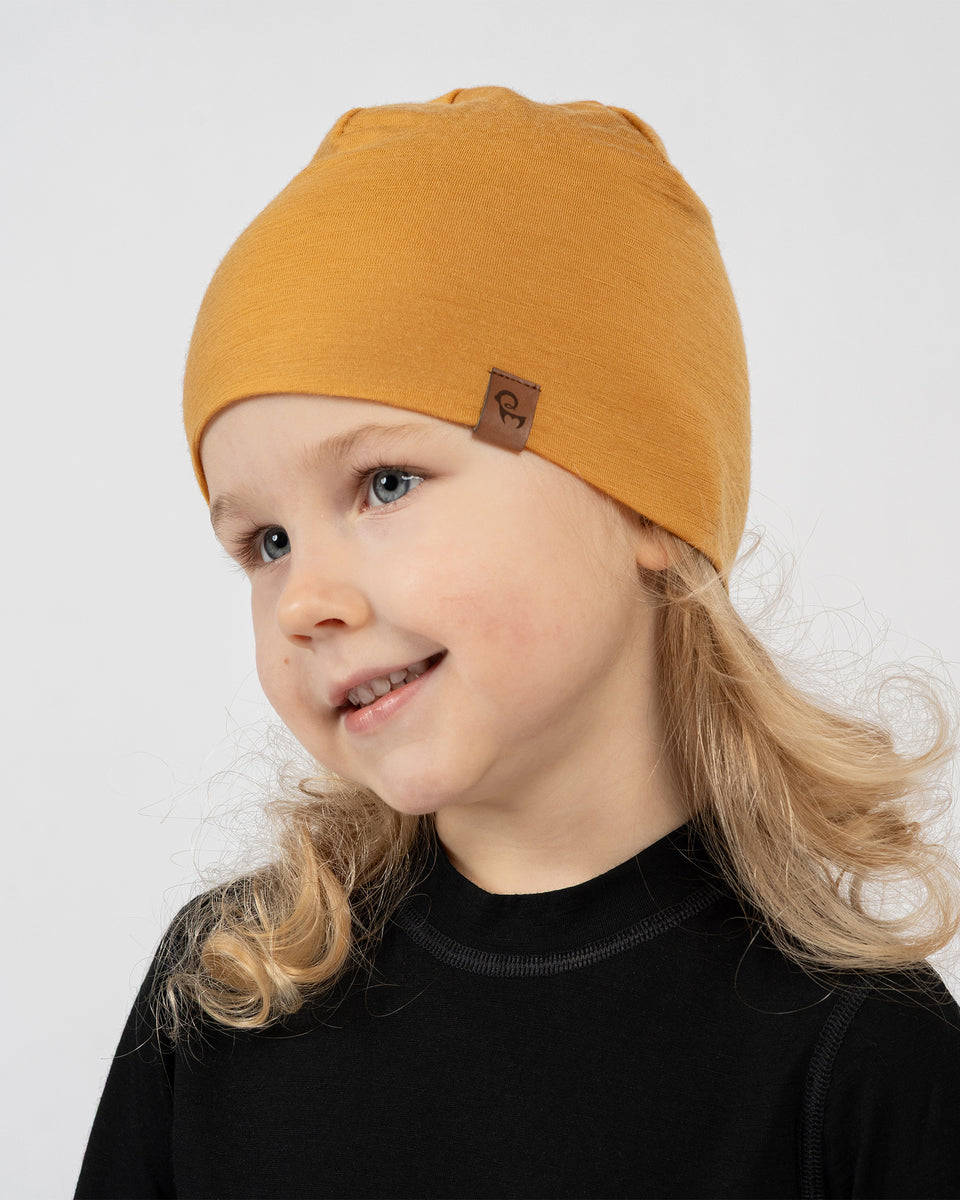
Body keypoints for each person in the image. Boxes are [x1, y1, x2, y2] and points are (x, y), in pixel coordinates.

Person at [75, 86, 960, 1199]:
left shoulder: (859, 1059)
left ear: (638, 502)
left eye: (386, 483)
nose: (304, 601)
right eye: (267, 543)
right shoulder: (229, 989)